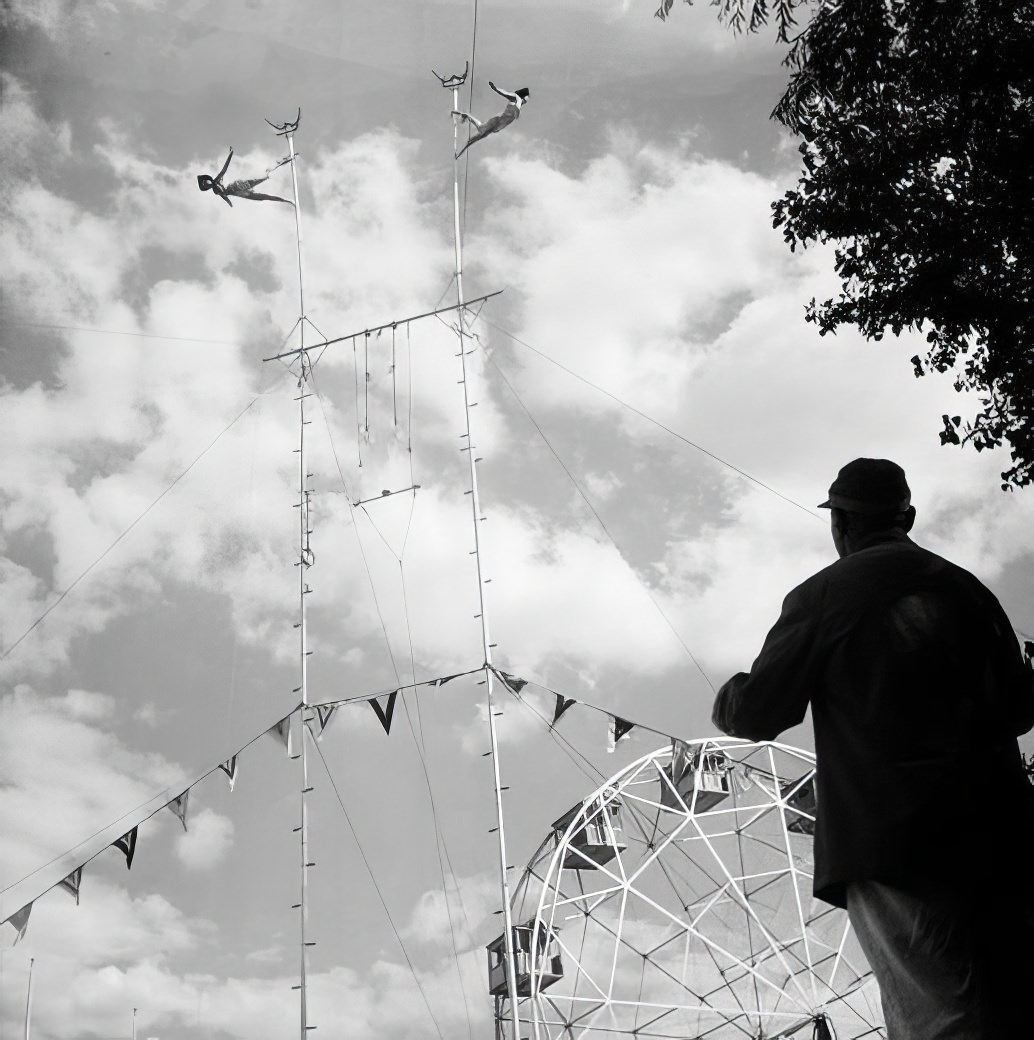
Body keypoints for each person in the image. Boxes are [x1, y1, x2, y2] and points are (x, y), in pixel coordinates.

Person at [711, 458, 1034, 1039]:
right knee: (1009, 1004)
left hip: (892, 843)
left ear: (838, 526)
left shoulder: (823, 596)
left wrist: (729, 695)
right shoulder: (969, 591)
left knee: (938, 1015)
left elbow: (757, 712)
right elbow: (1018, 711)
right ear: (906, 516)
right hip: (1002, 836)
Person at [453, 81, 530, 159]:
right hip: (496, 123)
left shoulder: (519, 103)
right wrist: (495, 88)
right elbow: (505, 94)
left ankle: (464, 115)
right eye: (526, 99)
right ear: (524, 97)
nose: (526, 101)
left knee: (477, 134)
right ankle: (463, 115)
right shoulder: (516, 98)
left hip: (496, 126)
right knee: (477, 135)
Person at [197, 148, 294, 207]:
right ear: (207, 187)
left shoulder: (217, 180)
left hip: (238, 185)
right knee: (262, 197)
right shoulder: (215, 191)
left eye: (206, 182)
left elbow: (224, 169)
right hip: (239, 192)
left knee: (264, 177)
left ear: (208, 180)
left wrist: (230, 154)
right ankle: (286, 200)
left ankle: (285, 161)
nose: (207, 184)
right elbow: (224, 196)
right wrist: (229, 203)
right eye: (205, 185)